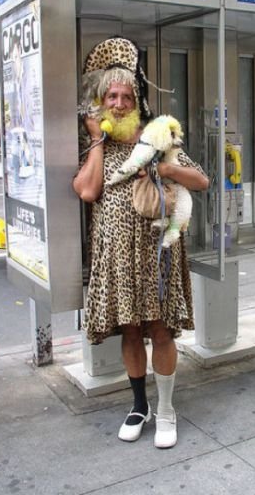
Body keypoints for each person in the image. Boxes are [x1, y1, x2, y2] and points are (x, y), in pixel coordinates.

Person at [73, 37, 209, 449]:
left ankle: (165, 409)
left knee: (161, 331)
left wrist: (165, 168)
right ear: (100, 102)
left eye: (126, 96)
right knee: (131, 332)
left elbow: (201, 180)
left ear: (137, 101)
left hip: (156, 256)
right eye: (111, 97)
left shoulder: (158, 138)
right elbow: (87, 191)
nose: (118, 104)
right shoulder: (95, 145)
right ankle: (139, 406)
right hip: (117, 257)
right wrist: (98, 141)